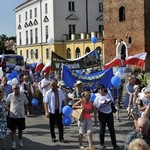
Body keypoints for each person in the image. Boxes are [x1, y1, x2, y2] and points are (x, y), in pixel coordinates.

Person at [93, 84, 119, 150]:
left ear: (104, 88)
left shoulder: (108, 94)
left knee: (112, 130)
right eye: (99, 88)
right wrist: (95, 118)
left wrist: (116, 102)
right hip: (102, 114)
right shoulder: (97, 97)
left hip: (109, 113)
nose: (101, 90)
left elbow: (113, 102)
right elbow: (95, 108)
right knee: (102, 130)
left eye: (102, 88)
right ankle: (102, 143)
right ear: (98, 90)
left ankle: (114, 144)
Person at [6, 84, 29, 150]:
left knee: (20, 130)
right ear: (12, 89)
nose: (16, 89)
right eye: (14, 88)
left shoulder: (23, 95)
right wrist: (8, 110)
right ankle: (13, 144)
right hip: (12, 116)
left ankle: (20, 141)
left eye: (17, 88)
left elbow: (26, 103)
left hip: (21, 116)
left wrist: (24, 110)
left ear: (19, 88)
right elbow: (7, 104)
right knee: (13, 131)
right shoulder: (10, 96)